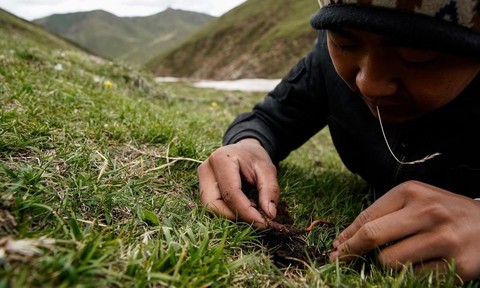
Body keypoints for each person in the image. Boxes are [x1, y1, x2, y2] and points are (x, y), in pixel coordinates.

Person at [197, 0, 480, 282]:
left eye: (417, 56)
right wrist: (247, 145)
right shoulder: (325, 62)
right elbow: (269, 119)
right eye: (345, 44)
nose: (369, 83)